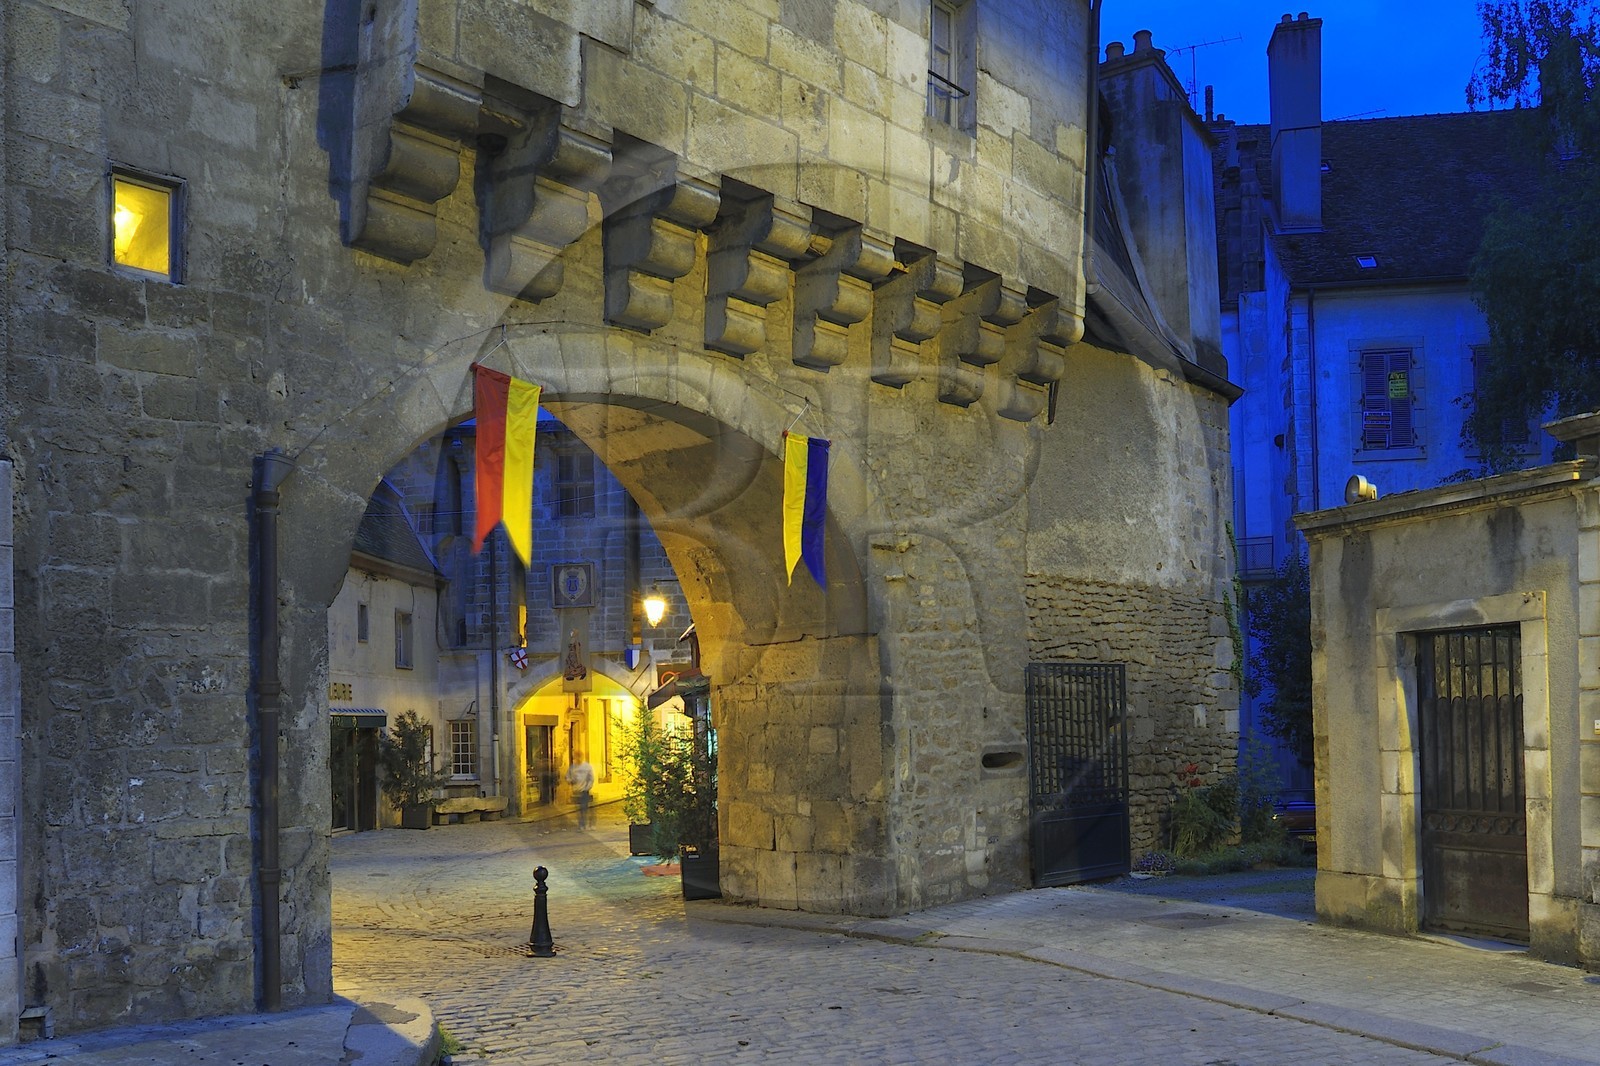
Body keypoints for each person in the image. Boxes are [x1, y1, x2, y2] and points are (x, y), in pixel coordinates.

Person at [566, 753, 595, 829]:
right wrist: (571, 781)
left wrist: (587, 787)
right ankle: (581, 823)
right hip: (576, 790)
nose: (577, 759)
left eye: (578, 757)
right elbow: (568, 776)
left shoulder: (587, 767)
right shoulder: (572, 767)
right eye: (576, 757)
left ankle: (583, 824)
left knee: (583, 807)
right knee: (578, 809)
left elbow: (591, 779)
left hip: (584, 791)